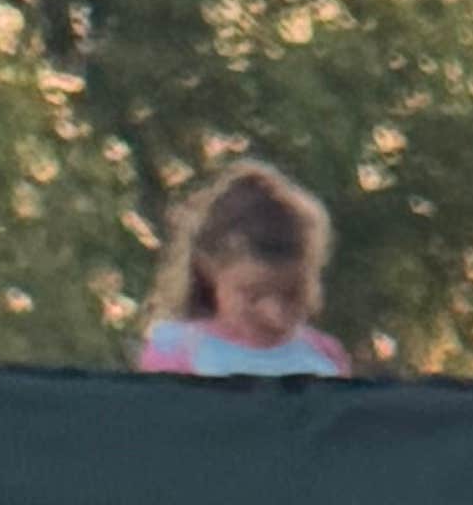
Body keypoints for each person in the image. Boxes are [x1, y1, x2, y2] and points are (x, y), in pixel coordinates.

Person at [137, 159, 350, 380]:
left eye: (292, 294)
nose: (273, 314)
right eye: (253, 295)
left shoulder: (324, 356)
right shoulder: (177, 351)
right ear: (208, 270)